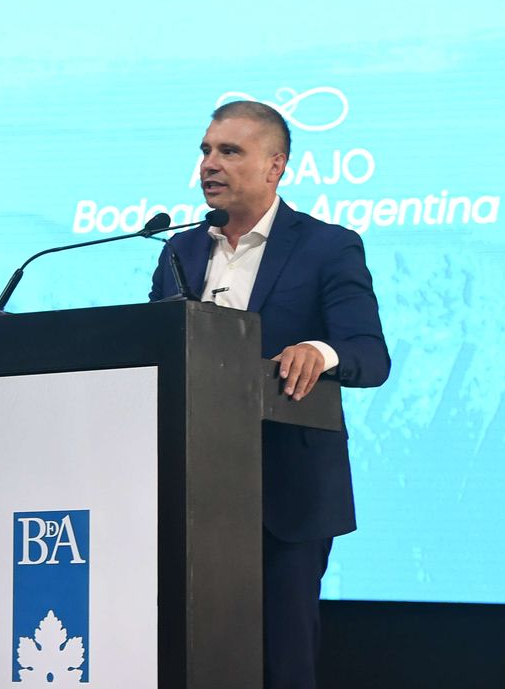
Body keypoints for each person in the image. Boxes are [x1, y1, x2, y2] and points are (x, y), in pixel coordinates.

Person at [149, 101, 390, 689]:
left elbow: (370, 355)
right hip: (191, 491)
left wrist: (321, 352)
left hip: (287, 493)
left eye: (230, 151)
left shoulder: (328, 246)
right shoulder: (179, 251)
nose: (210, 164)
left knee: (282, 663)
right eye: (206, 150)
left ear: (276, 165)